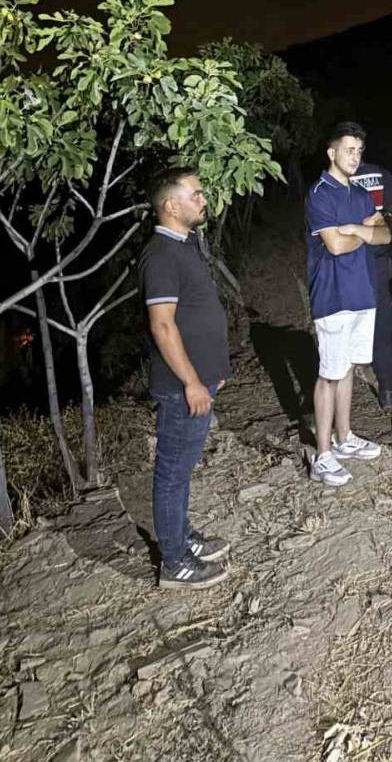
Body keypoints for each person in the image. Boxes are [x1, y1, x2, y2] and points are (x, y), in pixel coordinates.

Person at [139, 167, 232, 590]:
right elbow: (163, 327)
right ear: (170, 206)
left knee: (183, 468)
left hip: (199, 379)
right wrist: (193, 382)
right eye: (195, 194)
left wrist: (213, 373)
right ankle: (174, 562)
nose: (203, 200)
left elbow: (198, 313)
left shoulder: (186, 245)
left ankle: (183, 538)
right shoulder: (160, 255)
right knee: (172, 472)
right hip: (181, 387)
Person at [305, 122, 390, 486]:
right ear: (332, 152)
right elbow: (334, 246)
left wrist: (354, 229)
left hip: (361, 291)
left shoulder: (360, 193)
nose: (355, 157)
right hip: (332, 294)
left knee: (349, 367)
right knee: (330, 372)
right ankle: (323, 453)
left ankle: (345, 437)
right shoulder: (319, 194)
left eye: (359, 151)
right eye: (349, 150)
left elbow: (384, 234)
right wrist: (362, 231)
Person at [350, 149, 392, 410]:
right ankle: (387, 390)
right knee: (381, 322)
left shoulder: (335, 179)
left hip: (346, 259)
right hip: (377, 257)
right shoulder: (380, 174)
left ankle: (342, 400)